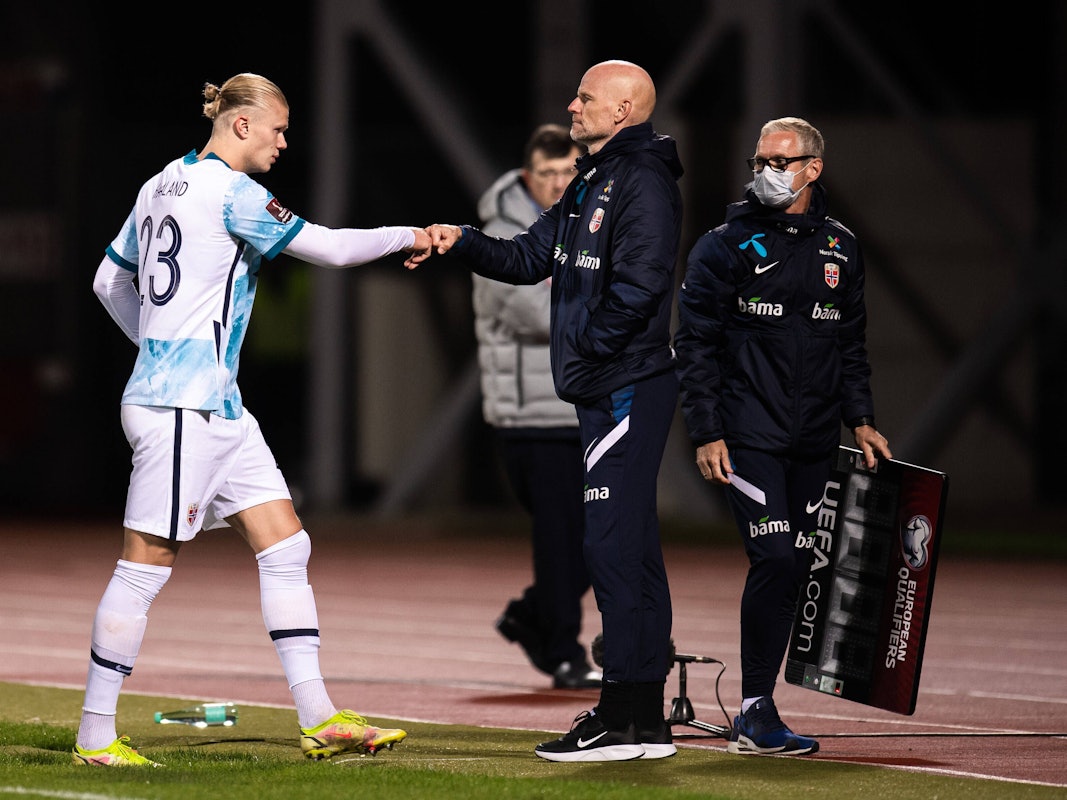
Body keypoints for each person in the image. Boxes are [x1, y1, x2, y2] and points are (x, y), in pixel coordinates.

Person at [75, 73, 431, 767]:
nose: (283, 142)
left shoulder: (158, 184)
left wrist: (157, 347)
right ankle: (94, 736)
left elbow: (106, 280)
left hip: (212, 404)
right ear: (242, 125)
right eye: (278, 129)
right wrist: (411, 234)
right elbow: (327, 248)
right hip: (184, 407)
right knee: (143, 566)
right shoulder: (232, 192)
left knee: (285, 544)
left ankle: (319, 717)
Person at [412, 60, 684, 762]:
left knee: (611, 548)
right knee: (628, 548)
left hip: (622, 384)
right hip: (605, 384)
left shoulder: (642, 180)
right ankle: (641, 719)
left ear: (622, 109)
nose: (572, 104)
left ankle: (622, 716)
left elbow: (644, 283)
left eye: (586, 97)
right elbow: (530, 257)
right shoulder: (593, 179)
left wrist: (589, 350)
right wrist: (460, 239)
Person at [673, 116, 893, 756]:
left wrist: (863, 419)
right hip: (747, 439)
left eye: (780, 160)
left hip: (814, 440)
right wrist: (707, 430)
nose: (766, 171)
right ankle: (755, 709)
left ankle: (758, 709)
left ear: (812, 169)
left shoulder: (842, 249)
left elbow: (851, 345)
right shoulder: (723, 246)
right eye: (759, 160)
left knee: (795, 567)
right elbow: (696, 346)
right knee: (774, 557)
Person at [474, 124, 602, 690]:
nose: (557, 183)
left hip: (577, 409)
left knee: (594, 536)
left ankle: (533, 614)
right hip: (531, 418)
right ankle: (563, 651)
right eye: (546, 174)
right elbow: (539, 316)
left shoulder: (580, 223)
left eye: (566, 172)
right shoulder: (502, 233)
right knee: (561, 539)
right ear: (527, 176)